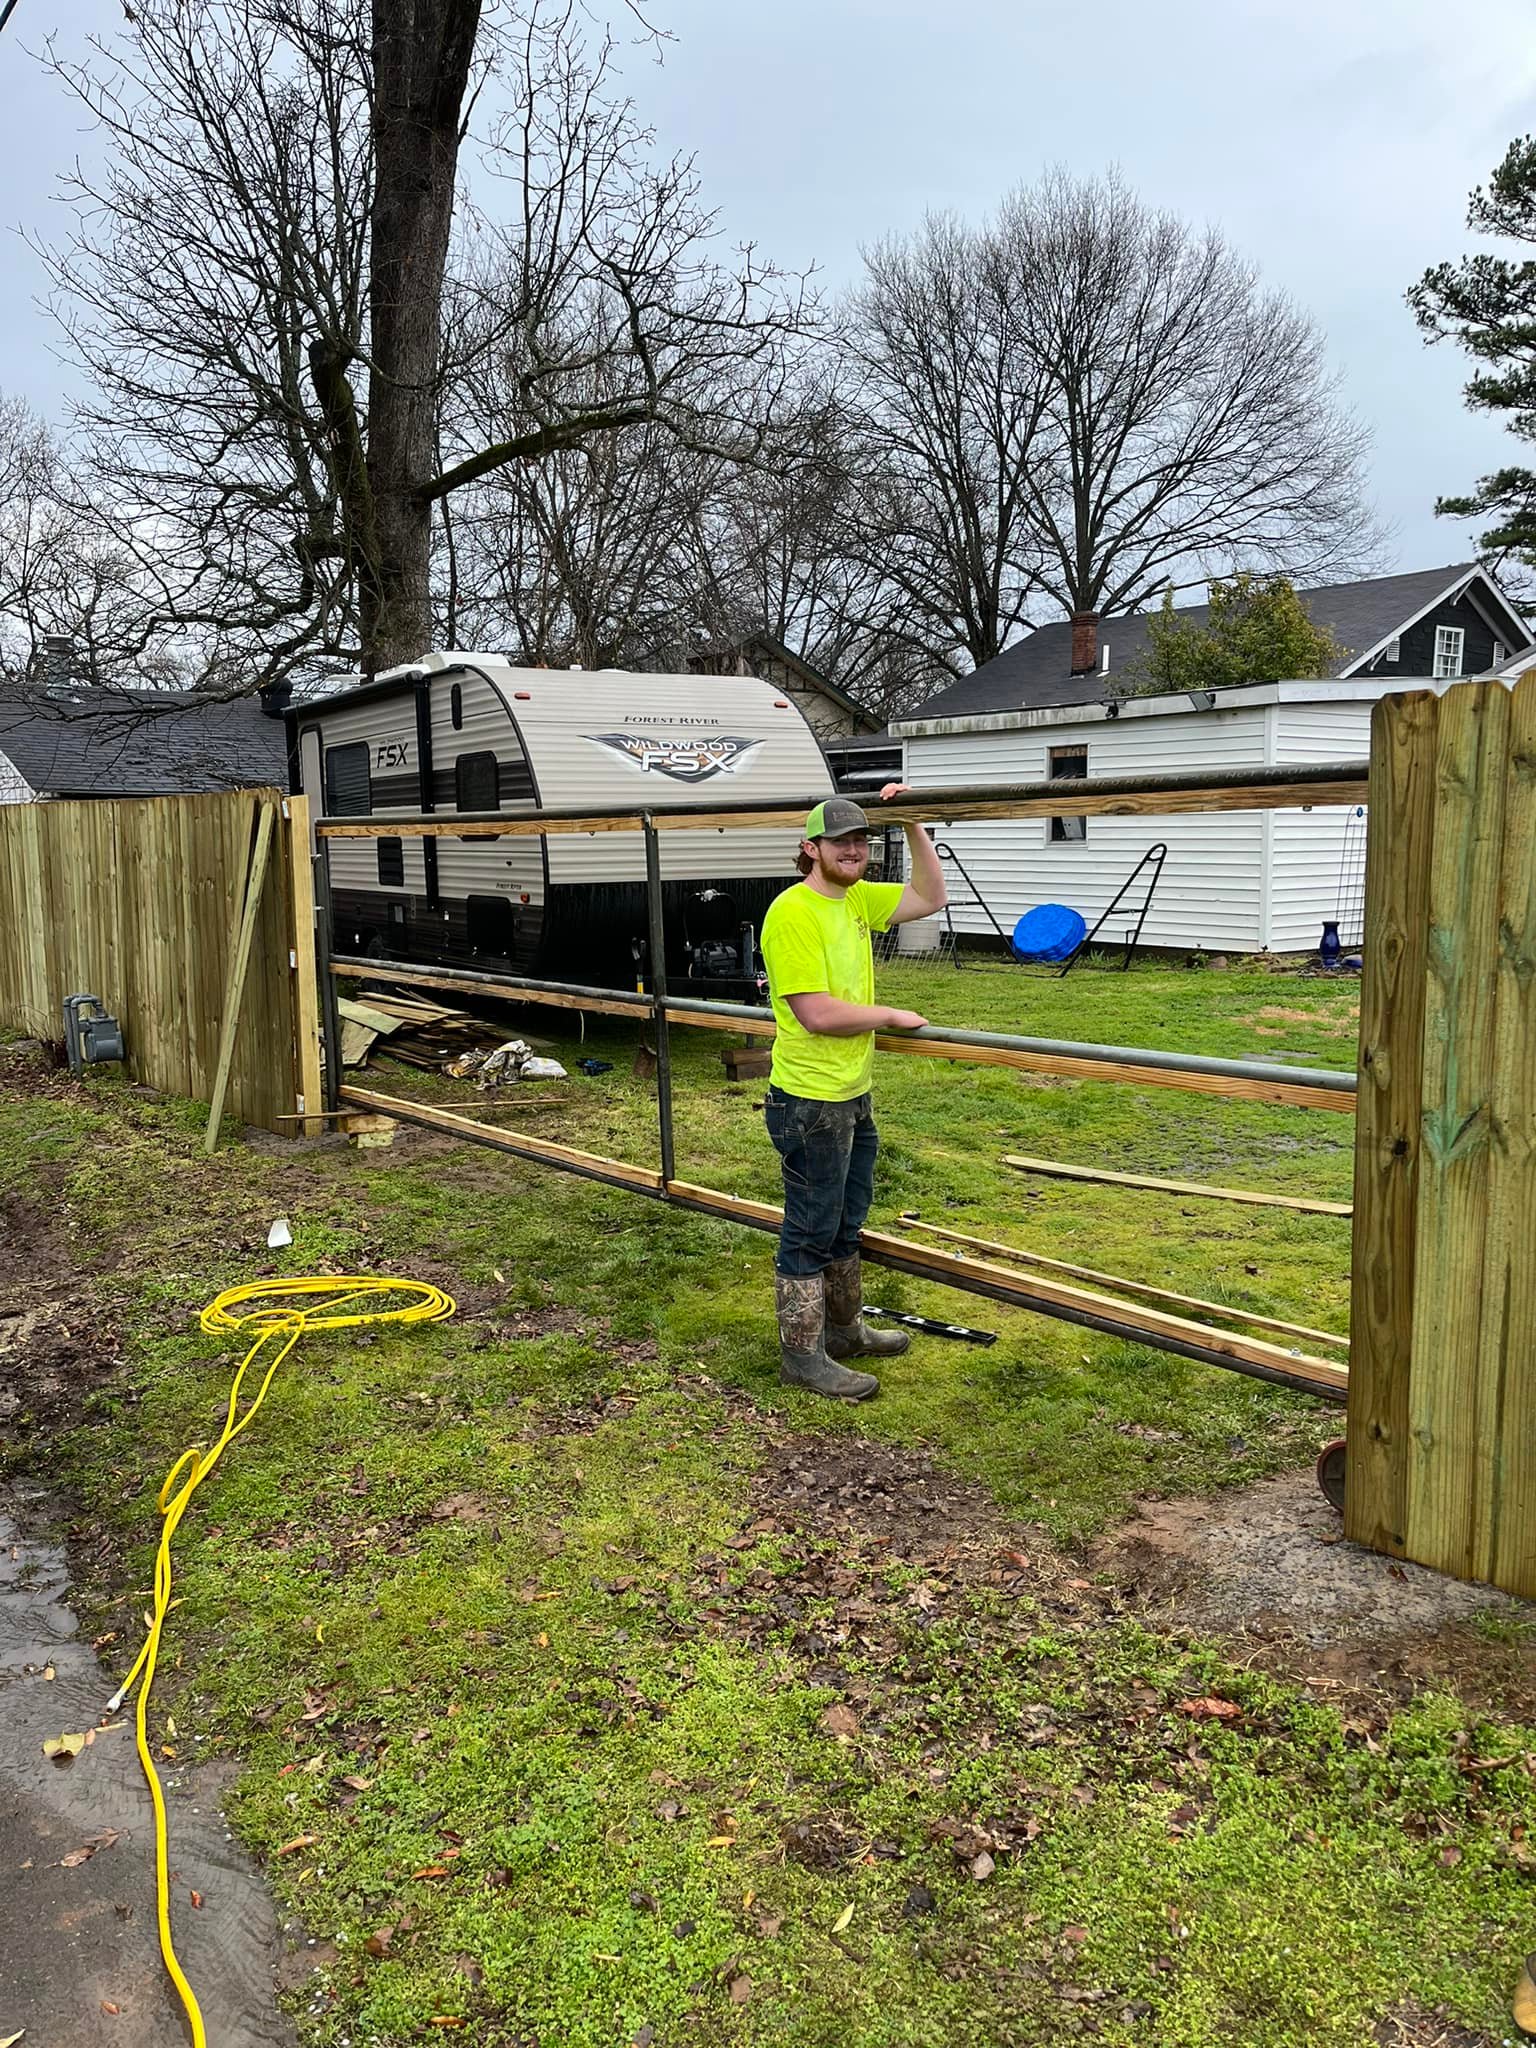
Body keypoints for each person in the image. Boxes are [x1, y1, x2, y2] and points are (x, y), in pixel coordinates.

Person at [758, 788, 948, 1400]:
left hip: (851, 1092)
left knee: (846, 1220)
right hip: (810, 1099)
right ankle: (801, 1358)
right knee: (811, 1227)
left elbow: (930, 897)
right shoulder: (793, 912)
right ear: (810, 849)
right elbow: (814, 1013)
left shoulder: (857, 900)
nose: (854, 850)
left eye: (862, 841)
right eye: (841, 842)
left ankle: (842, 1332)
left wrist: (914, 821)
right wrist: (888, 1015)